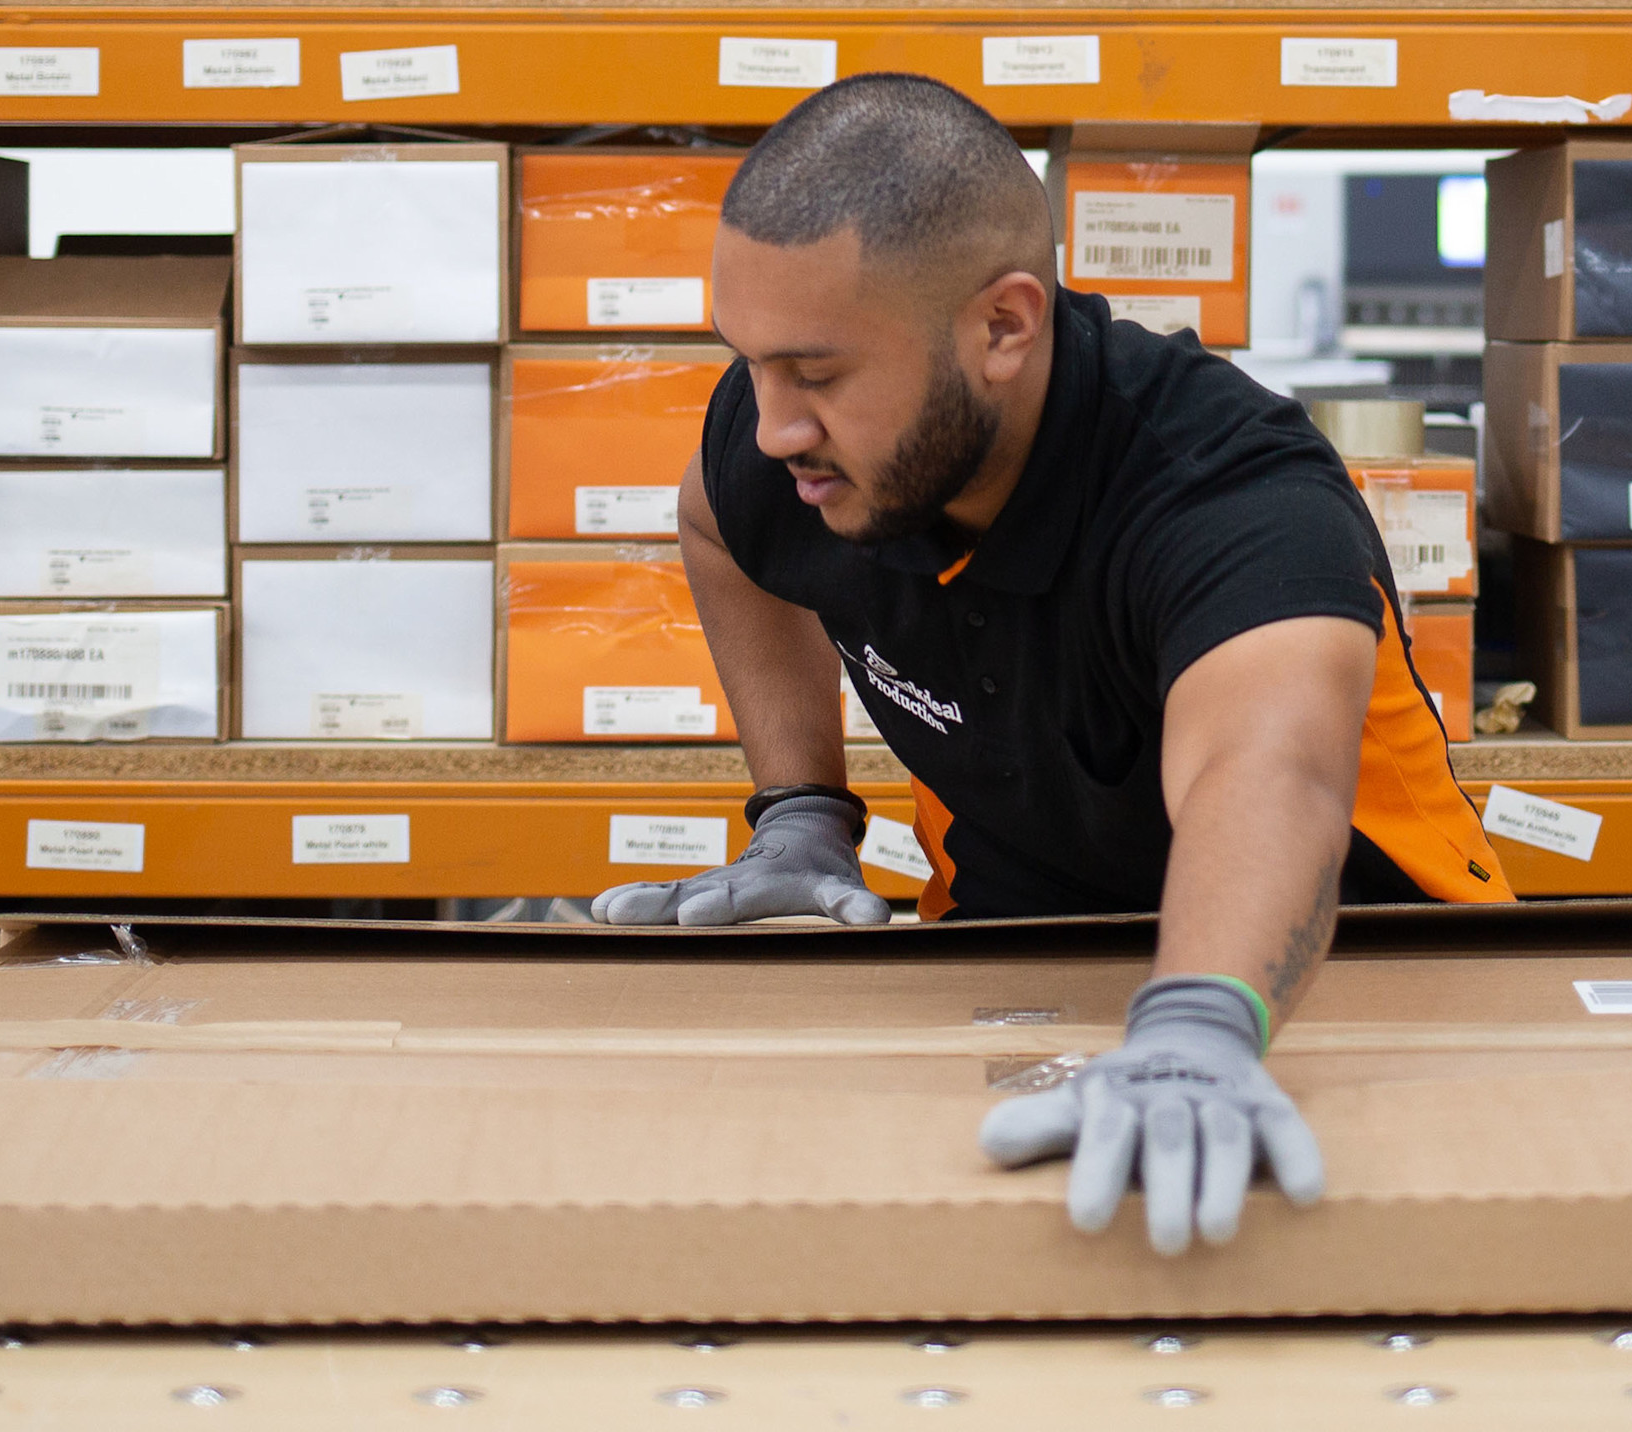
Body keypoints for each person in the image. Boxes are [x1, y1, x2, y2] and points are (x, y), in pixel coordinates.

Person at [587, 74, 1511, 1255]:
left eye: (815, 375)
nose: (771, 427)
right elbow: (716, 521)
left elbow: (1264, 773)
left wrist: (1197, 1025)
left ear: (1004, 328)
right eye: (751, 363)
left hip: (1357, 972)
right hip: (1005, 961)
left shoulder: (1230, 493)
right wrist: (802, 810)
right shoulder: (801, 454)